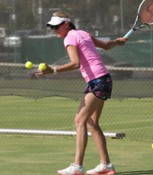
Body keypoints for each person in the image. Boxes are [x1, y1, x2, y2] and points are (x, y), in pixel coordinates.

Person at [35, 11, 127, 175]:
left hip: (97, 81)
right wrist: (118, 42)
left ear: (66, 24)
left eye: (56, 27)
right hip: (104, 80)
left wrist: (53, 70)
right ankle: (106, 165)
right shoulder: (83, 33)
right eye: (52, 27)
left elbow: (76, 63)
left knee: (79, 121)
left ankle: (77, 166)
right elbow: (106, 45)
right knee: (92, 123)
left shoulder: (70, 37)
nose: (54, 30)